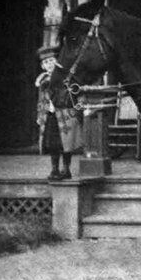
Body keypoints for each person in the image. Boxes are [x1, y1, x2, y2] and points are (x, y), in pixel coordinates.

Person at [35, 45, 83, 181]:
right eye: (45, 63)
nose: (48, 64)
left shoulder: (65, 77)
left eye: (50, 61)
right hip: (49, 114)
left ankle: (66, 169)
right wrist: (39, 115)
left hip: (65, 114)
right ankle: (54, 169)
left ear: (56, 62)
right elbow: (41, 100)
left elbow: (76, 93)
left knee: (66, 144)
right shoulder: (43, 80)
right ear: (43, 66)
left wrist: (78, 108)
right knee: (52, 143)